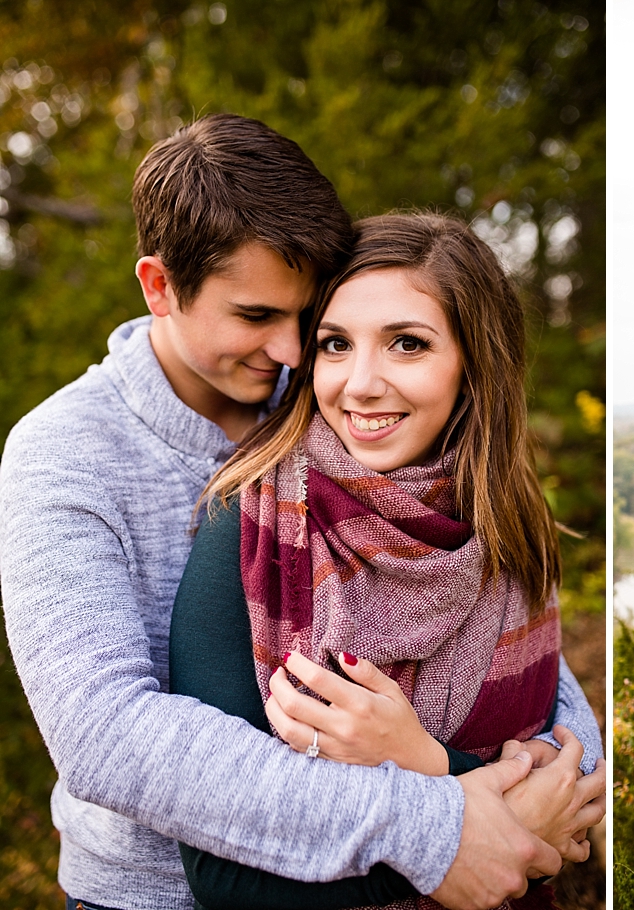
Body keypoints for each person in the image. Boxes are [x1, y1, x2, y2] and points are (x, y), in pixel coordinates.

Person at [0, 114, 603, 910]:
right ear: (159, 287)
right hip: (156, 897)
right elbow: (106, 735)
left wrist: (573, 771)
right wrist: (441, 819)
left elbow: (486, 605)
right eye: (255, 317)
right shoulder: (63, 452)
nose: (291, 352)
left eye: (306, 317)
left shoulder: (334, 404)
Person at [168, 211, 603, 907]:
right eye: (335, 345)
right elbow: (221, 872)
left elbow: (565, 798)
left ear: (473, 362)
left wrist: (420, 761)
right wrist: (473, 821)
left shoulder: (512, 531)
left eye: (407, 344)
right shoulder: (252, 528)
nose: (360, 384)